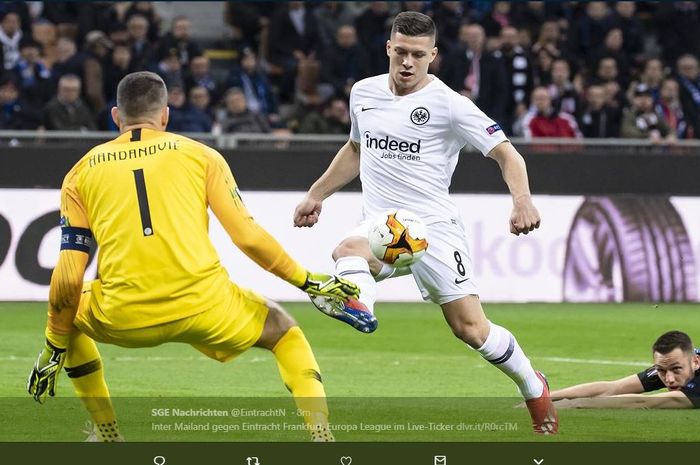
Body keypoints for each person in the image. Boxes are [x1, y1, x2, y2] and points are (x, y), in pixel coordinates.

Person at [26, 71, 359, 442]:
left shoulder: (79, 173)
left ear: (116, 116)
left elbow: (69, 276)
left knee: (66, 315)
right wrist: (307, 280)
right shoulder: (201, 156)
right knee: (284, 332)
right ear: (165, 115)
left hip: (124, 312)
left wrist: (53, 347)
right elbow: (247, 237)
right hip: (205, 305)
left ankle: (107, 432)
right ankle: (321, 436)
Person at [292, 11, 558, 435]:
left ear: (432, 55)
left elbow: (507, 153)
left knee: (471, 329)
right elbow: (356, 149)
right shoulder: (363, 93)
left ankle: (533, 384)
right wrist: (316, 194)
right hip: (383, 225)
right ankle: (359, 305)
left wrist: (522, 201)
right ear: (388, 49)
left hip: (435, 227)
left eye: (418, 54)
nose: (407, 62)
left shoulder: (451, 104)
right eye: (400, 52)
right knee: (346, 250)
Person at [551, 331, 700, 409]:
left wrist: (572, 405)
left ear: (696, 362)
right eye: (661, 370)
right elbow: (613, 388)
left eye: (676, 369)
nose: (669, 379)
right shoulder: (676, 361)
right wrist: (544, 399)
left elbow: (641, 402)